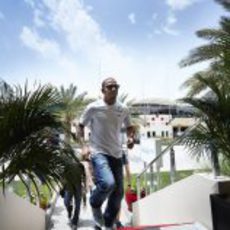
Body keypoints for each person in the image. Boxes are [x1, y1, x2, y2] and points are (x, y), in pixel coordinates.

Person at [77, 77, 135, 230]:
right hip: (98, 151)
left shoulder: (123, 108)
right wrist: (83, 146)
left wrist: (130, 138)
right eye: (110, 87)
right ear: (103, 90)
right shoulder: (93, 108)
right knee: (108, 183)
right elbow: (80, 125)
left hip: (116, 153)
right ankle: (95, 203)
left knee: (118, 194)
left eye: (116, 86)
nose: (114, 89)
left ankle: (108, 223)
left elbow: (130, 127)